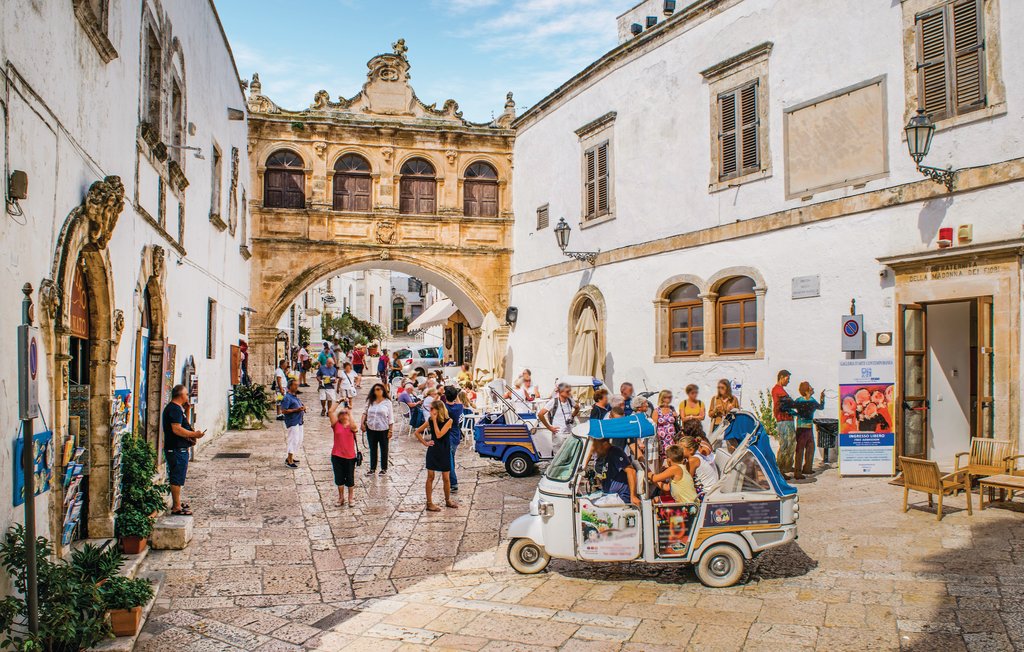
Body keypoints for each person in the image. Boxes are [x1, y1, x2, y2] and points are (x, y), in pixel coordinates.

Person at [162, 384, 206, 515]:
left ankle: (177, 502)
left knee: (178, 477)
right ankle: (176, 507)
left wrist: (187, 411)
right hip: (176, 449)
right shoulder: (174, 409)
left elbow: (183, 424)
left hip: (177, 449)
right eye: (186, 394)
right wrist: (195, 435)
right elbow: (177, 429)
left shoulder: (177, 409)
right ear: (181, 395)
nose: (187, 396)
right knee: (176, 477)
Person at [414, 400, 458, 511]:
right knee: (430, 477)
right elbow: (417, 432)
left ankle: (448, 500)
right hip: (433, 451)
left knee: (446, 478)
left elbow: (439, 434)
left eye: (432, 409)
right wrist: (425, 443)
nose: (430, 411)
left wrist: (433, 420)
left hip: (444, 451)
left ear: (438, 410)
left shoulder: (449, 421)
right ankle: (429, 503)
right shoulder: (430, 420)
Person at [591, 438, 640, 506]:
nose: (594, 449)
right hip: (609, 495)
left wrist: (633, 496)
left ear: (604, 444)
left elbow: (631, 471)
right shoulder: (605, 454)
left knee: (588, 506)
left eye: (596, 446)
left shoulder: (615, 452)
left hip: (619, 496)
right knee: (585, 501)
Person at [793, 381, 826, 479]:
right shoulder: (808, 401)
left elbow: (790, 408)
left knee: (808, 448)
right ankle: (798, 472)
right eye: (811, 387)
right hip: (804, 428)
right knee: (802, 449)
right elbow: (821, 407)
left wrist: (796, 415)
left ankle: (806, 468)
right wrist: (822, 398)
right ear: (807, 390)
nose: (812, 389)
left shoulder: (802, 400)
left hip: (805, 427)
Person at [538, 382, 580, 455]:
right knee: (558, 456)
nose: (569, 393)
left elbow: (577, 408)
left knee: (569, 455)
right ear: (561, 391)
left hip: (569, 433)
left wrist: (572, 417)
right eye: (567, 391)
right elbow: (540, 414)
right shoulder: (553, 401)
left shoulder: (570, 400)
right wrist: (549, 427)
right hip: (558, 434)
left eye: (570, 391)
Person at [360, 383, 393, 475]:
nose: (377, 391)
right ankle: (372, 468)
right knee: (372, 449)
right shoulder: (371, 401)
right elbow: (365, 412)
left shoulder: (387, 403)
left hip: (383, 429)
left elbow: (390, 418)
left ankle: (384, 468)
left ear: (383, 390)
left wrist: (390, 430)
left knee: (384, 449)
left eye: (379, 389)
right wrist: (362, 423)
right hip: (371, 428)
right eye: (375, 389)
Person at [329, 404, 358, 507]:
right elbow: (330, 411)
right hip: (337, 455)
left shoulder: (351, 425)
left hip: (350, 457)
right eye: (341, 413)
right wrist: (339, 401)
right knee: (339, 478)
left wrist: (349, 412)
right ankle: (341, 498)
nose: (343, 415)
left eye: (345, 413)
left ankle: (351, 498)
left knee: (350, 479)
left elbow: (355, 428)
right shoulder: (336, 424)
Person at [771, 370, 797, 477]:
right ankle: (780, 469)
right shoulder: (777, 390)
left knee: (791, 443)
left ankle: (787, 465)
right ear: (781, 377)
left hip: (787, 419)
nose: (788, 381)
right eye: (787, 379)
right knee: (785, 444)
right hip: (783, 420)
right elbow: (787, 402)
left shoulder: (781, 390)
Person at [679, 435, 717, 500]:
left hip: (706, 493)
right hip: (709, 490)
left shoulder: (693, 460)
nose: (679, 451)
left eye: (681, 449)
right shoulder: (696, 456)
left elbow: (687, 480)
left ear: (691, 450)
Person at [442, 386, 465, 493]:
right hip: (456, 436)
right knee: (452, 458)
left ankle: (454, 482)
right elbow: (459, 402)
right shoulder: (459, 407)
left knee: (449, 461)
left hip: (447, 436)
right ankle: (452, 481)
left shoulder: (444, 408)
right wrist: (456, 394)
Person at [280, 379, 306, 468]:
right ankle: (289, 461)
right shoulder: (287, 397)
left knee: (299, 440)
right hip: (292, 421)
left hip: (299, 421)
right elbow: (284, 410)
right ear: (290, 386)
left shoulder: (294, 396)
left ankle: (290, 457)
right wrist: (296, 410)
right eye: (295, 385)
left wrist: (302, 408)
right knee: (293, 440)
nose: (296, 386)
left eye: (297, 385)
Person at [654, 390, 679, 458]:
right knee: (662, 457)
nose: (670, 399)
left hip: (672, 437)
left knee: (672, 455)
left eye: (670, 397)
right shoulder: (657, 410)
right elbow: (654, 425)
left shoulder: (672, 409)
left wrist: (676, 416)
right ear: (662, 398)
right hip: (662, 438)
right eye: (667, 397)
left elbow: (676, 422)